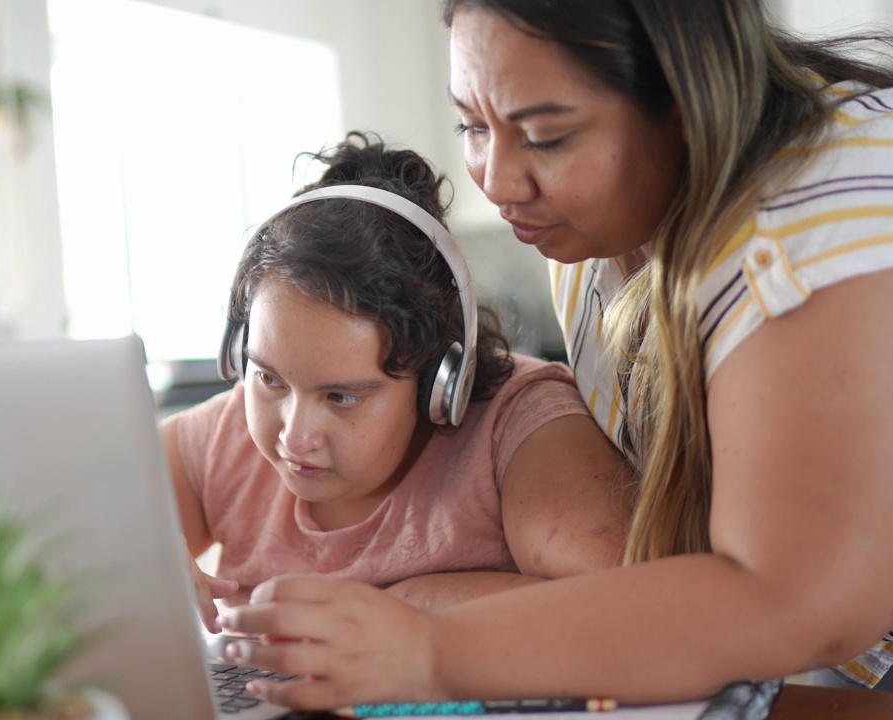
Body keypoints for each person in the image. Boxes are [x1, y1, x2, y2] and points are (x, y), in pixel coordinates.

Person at [217, 0, 893, 706]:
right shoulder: (592, 223)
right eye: (473, 126)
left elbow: (795, 597)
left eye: (546, 135)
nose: (499, 180)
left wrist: (428, 649)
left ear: (684, 101)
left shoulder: (843, 219)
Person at [159, 131, 633, 633]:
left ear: (437, 385)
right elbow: (79, 535)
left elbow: (623, 605)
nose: (294, 438)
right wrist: (136, 568)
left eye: (342, 396)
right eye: (270, 379)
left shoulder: (520, 427)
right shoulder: (222, 439)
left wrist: (408, 609)